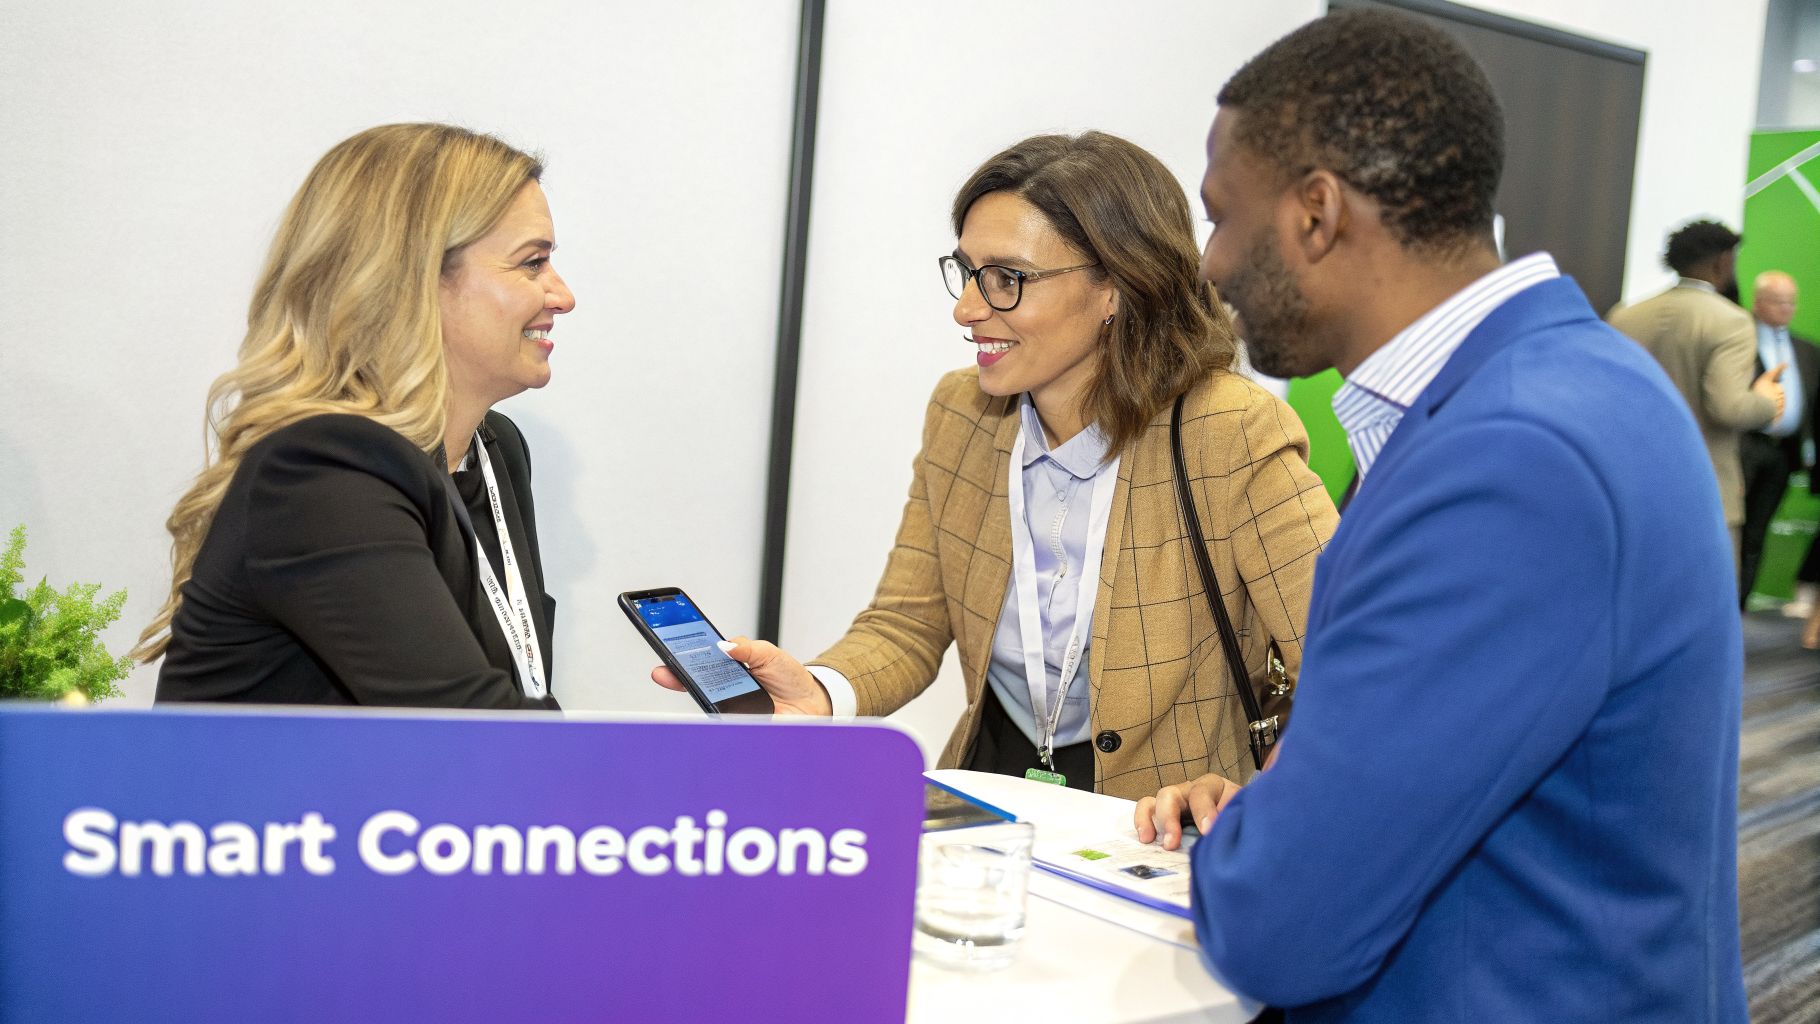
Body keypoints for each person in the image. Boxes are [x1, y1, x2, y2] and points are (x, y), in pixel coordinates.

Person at [1135, 11, 1747, 1020]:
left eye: (1220, 215)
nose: (1208, 264)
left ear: (1315, 214)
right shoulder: (1573, 382)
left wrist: (1256, 844)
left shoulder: (1508, 456)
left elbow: (1279, 925)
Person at [655, 132, 1337, 800]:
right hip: (990, 787)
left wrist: (1265, 793)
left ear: (1118, 289)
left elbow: (1346, 662)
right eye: (967, 271)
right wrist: (820, 689)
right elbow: (907, 624)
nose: (967, 308)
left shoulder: (1228, 429)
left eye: (1008, 278)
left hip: (1163, 821)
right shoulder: (962, 412)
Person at [134, 123, 575, 709]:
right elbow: (468, 731)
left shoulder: (494, 454)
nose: (562, 295)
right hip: (286, 805)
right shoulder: (323, 474)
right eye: (531, 264)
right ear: (413, 278)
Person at [1608, 220, 1784, 575]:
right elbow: (1729, 406)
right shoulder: (1731, 321)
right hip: (1705, 491)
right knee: (1706, 609)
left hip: (1629, 488)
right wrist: (1767, 400)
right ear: (1722, 262)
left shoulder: (1624, 316)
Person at [1736, 271, 1818, 603]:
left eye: (1791, 302)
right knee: (1731, 531)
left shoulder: (1807, 349)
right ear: (1757, 302)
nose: (1786, 309)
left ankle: (1738, 608)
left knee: (1756, 533)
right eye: (1778, 301)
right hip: (1744, 448)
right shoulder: (1739, 341)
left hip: (1784, 454)